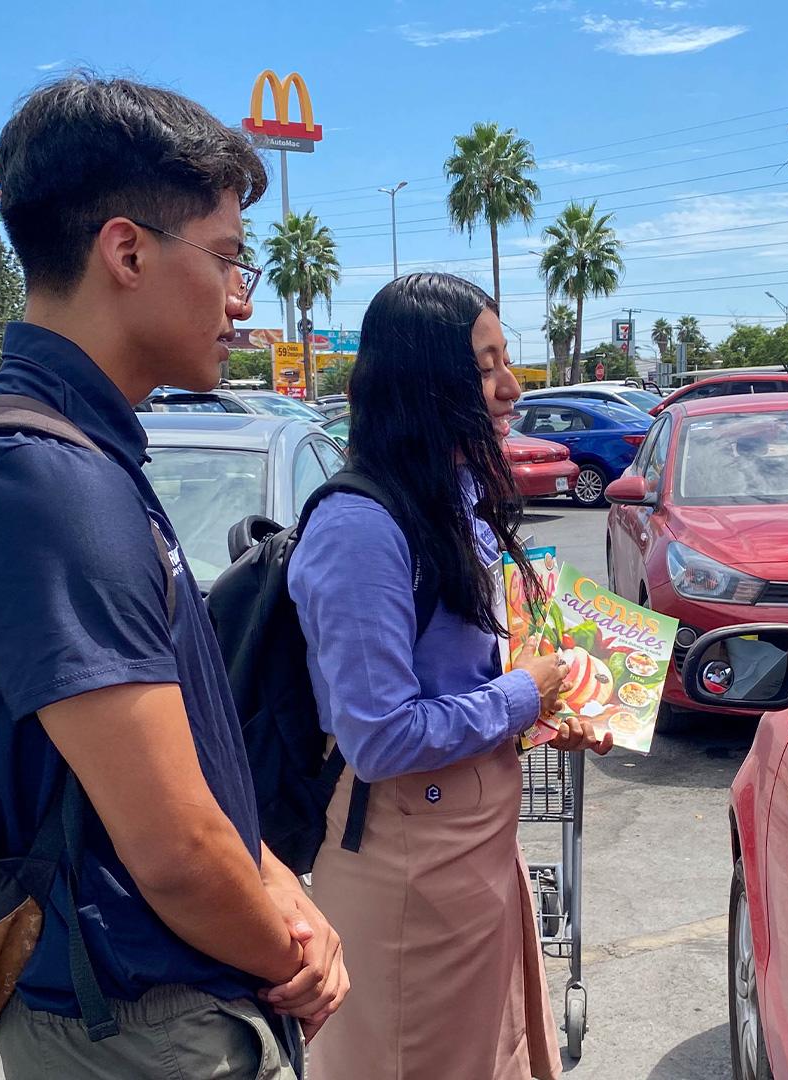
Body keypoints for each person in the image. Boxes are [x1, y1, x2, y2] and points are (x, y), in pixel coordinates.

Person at [0, 75, 343, 1079]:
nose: (242, 299)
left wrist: (281, 885)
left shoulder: (73, 454)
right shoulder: (43, 482)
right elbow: (175, 853)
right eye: (227, 257)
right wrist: (299, 960)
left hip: (157, 1013)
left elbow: (183, 782)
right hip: (143, 1031)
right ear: (127, 252)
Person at [289, 273, 611, 1079]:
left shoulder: (453, 498)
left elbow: (465, 673)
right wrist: (524, 694)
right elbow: (380, 735)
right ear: (423, 381)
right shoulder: (360, 527)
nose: (511, 389)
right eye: (484, 367)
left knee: (488, 1055)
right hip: (408, 855)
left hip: (471, 843)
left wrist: (554, 712)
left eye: (508, 362)